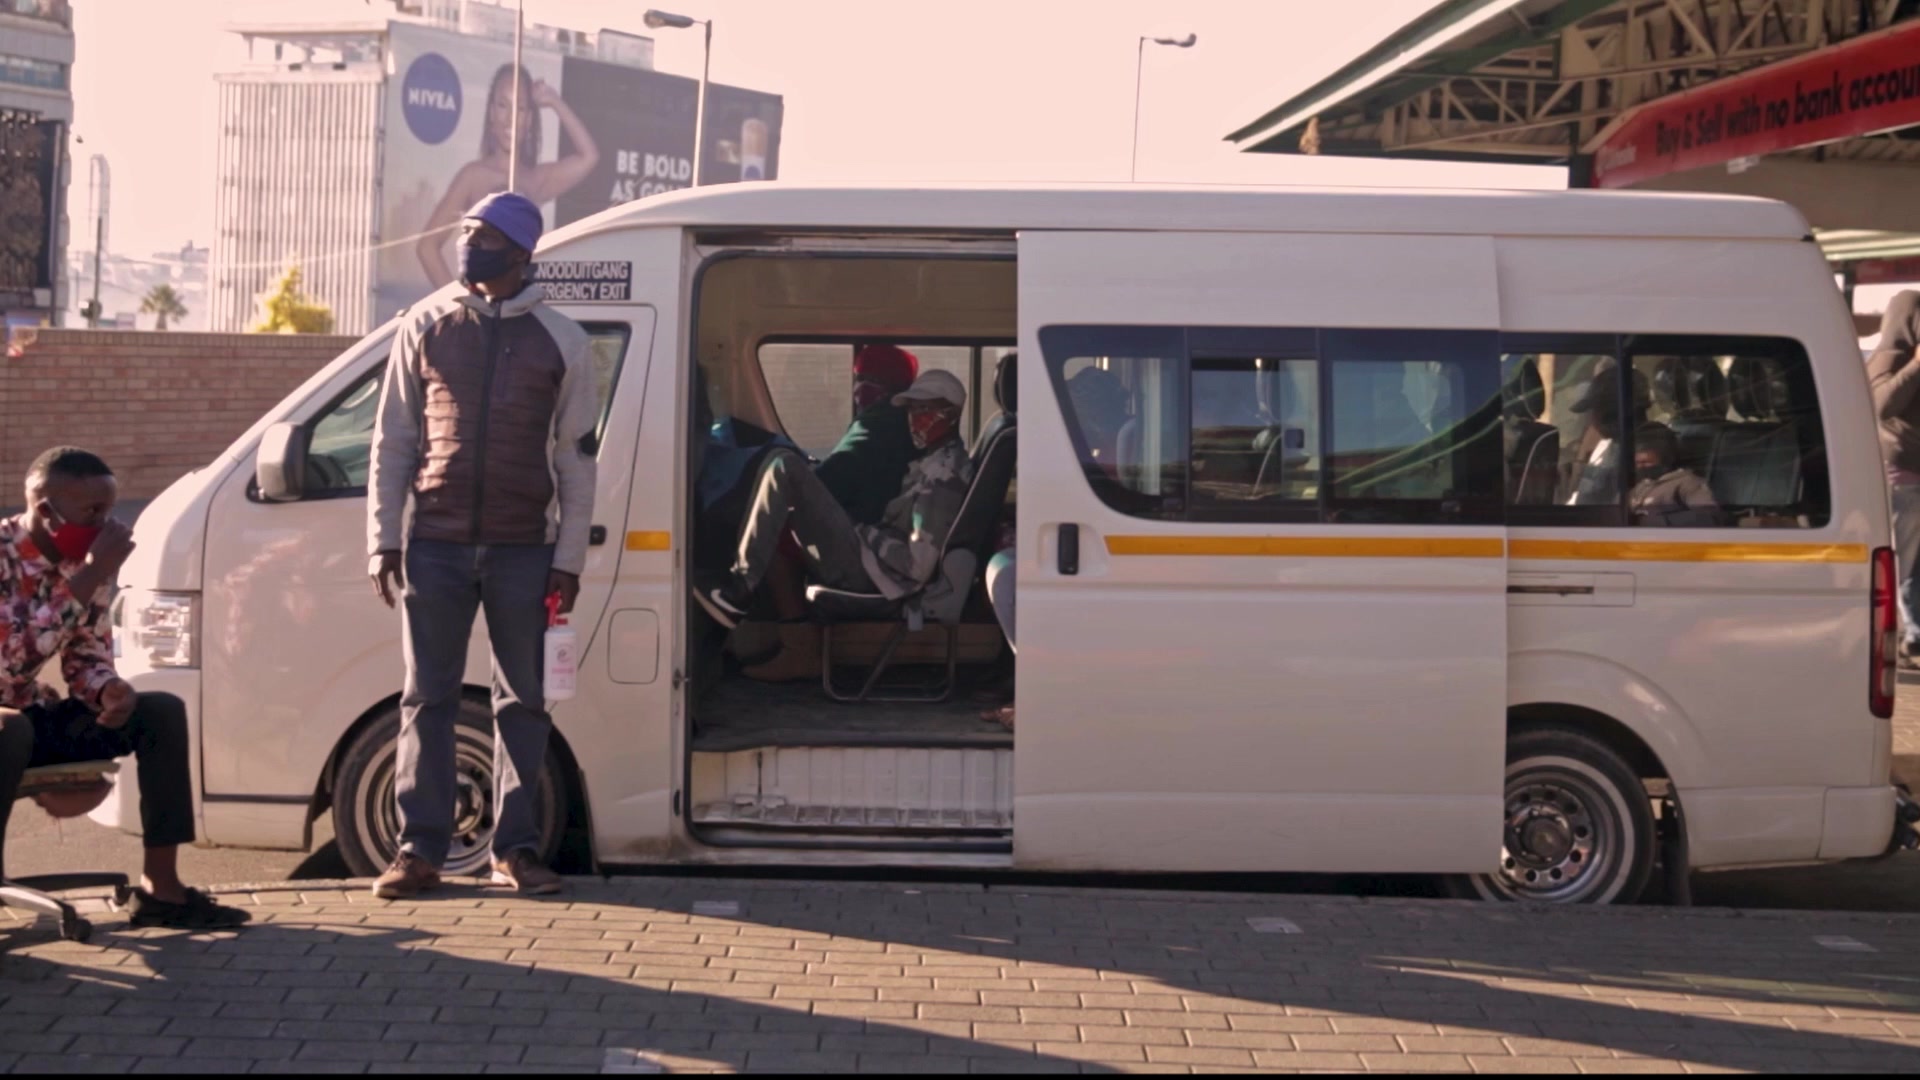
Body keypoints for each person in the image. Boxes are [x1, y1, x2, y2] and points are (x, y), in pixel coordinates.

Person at [368, 192, 599, 899]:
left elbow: (576, 460)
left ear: (523, 252)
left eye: (486, 234)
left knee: (524, 702)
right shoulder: (425, 323)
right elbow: (393, 440)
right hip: (433, 545)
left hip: (524, 549)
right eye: (467, 230)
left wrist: (567, 560)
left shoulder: (563, 340)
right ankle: (419, 852)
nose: (470, 242)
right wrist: (383, 539)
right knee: (426, 698)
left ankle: (515, 851)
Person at [0, 449, 249, 929]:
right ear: (47, 511)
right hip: (6, 726)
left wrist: (108, 689)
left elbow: (83, 653)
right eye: (93, 512)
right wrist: (92, 574)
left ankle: (161, 890)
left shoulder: (82, 563)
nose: (106, 525)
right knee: (10, 728)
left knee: (159, 712)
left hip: (29, 720)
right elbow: (9, 665)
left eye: (110, 511)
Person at [695, 370, 973, 630]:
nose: (916, 418)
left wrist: (864, 532)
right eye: (912, 409)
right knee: (782, 466)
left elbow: (918, 566)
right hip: (872, 563)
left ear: (951, 414)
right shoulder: (931, 459)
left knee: (784, 465)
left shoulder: (944, 474)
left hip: (880, 579)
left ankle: (740, 590)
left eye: (926, 409)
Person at [737, 344, 924, 681]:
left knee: (783, 467)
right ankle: (796, 641)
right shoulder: (899, 423)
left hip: (871, 561)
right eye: (857, 378)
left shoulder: (882, 422)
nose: (858, 388)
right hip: (876, 550)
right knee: (781, 525)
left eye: (868, 379)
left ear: (890, 388)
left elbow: (830, 481)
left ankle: (740, 587)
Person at [416, 64, 601, 289]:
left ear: (529, 120)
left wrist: (553, 101)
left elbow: (589, 156)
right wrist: (459, 303)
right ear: (492, 113)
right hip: (482, 301)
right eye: (503, 106)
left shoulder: (536, 179)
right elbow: (427, 247)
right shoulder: (473, 176)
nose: (510, 119)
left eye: (520, 109)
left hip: (521, 301)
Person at [1867, 291, 1920, 664]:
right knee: (1904, 559)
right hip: (1901, 470)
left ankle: (1913, 632)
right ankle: (1911, 631)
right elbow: (1882, 405)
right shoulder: (1890, 356)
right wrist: (1916, 365)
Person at [1628, 423, 1718, 526]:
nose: (1640, 467)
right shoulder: (1640, 486)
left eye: (1646, 462)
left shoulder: (1688, 483)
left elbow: (1708, 516)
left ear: (1666, 459)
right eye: (1637, 463)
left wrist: (1658, 520)